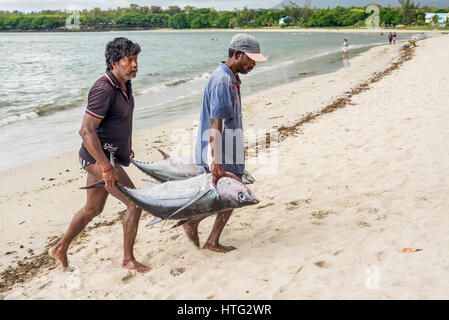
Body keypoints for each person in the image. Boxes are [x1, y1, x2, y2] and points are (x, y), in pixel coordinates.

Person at [49, 37, 151, 273]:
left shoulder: (125, 84)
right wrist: (106, 168)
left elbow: (120, 120)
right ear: (114, 63)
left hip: (110, 156)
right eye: (129, 60)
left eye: (136, 59)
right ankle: (127, 260)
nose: (134, 65)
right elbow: (86, 130)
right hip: (98, 159)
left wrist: (127, 146)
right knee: (135, 205)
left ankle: (60, 248)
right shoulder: (103, 89)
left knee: (93, 209)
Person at [185, 34, 267, 253]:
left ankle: (202, 230)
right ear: (237, 55)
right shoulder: (222, 80)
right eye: (251, 59)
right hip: (221, 152)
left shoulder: (231, 77)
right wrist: (217, 161)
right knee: (231, 195)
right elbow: (215, 124)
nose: (253, 64)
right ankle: (200, 229)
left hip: (229, 148)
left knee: (230, 195)